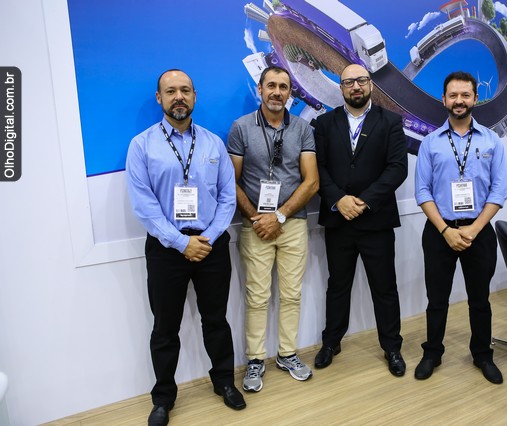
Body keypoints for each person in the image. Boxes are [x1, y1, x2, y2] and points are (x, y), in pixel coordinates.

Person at [126, 69, 246, 426]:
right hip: (167, 250)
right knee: (165, 327)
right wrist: (181, 243)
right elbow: (144, 205)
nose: (179, 97)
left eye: (185, 90)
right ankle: (163, 398)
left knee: (216, 320)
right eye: (171, 91)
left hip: (211, 246)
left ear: (194, 96)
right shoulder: (141, 146)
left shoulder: (213, 143)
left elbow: (227, 196)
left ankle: (224, 382)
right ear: (159, 98)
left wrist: (207, 237)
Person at [227, 66, 319, 392]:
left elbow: (311, 181)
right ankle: (255, 359)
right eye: (271, 86)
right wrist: (257, 218)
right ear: (260, 89)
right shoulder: (241, 128)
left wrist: (278, 216)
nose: (277, 92)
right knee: (257, 296)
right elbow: (231, 181)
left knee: (292, 294)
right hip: (255, 226)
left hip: (292, 223)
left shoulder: (303, 129)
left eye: (283, 86)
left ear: (290, 92)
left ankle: (287, 354)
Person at [414, 71, 507, 384]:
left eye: (465, 95)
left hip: (479, 232)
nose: (459, 101)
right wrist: (446, 231)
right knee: (436, 300)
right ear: (444, 99)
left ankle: (483, 354)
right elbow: (422, 192)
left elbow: (499, 191)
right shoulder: (430, 143)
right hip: (439, 232)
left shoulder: (491, 141)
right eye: (453, 95)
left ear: (475, 99)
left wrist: (474, 229)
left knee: (480, 300)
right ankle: (432, 353)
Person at [313, 64, 408, 377]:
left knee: (385, 287)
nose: (356, 86)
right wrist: (338, 199)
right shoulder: (324, 123)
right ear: (341, 87)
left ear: (371, 85)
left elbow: (397, 168)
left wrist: (364, 201)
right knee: (337, 286)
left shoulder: (391, 121)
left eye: (362, 81)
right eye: (349, 82)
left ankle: (392, 347)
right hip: (338, 220)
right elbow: (318, 168)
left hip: (376, 221)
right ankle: (331, 342)